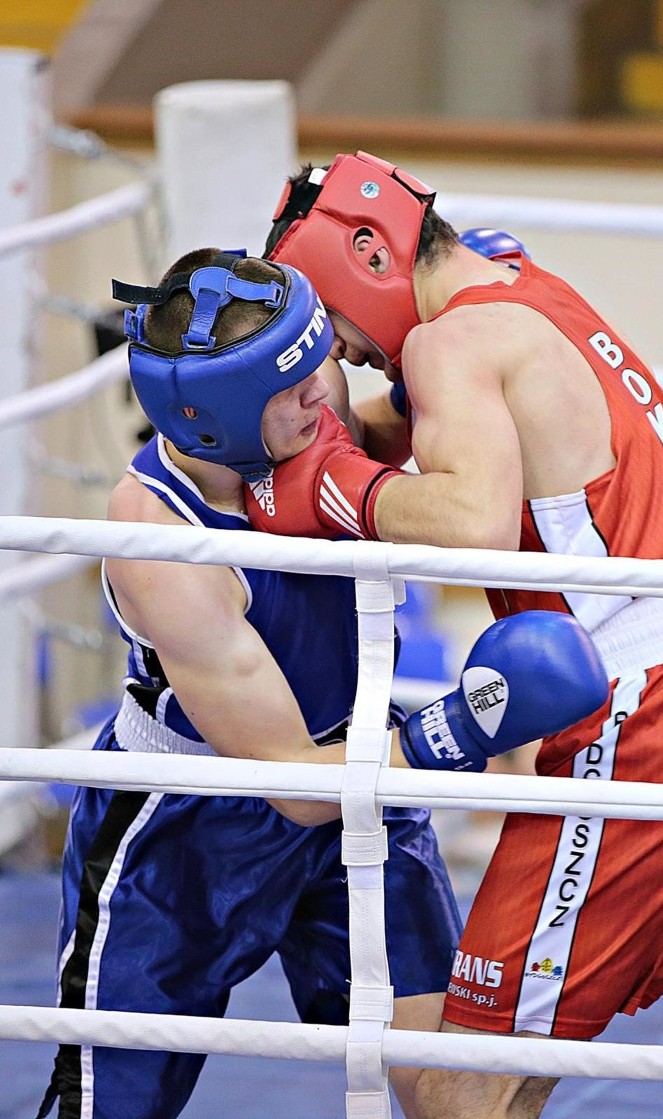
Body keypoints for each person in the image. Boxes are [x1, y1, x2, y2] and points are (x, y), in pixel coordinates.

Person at [246, 151, 663, 1119]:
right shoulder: (530, 299)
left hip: (649, 727)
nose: (341, 350)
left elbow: (470, 519)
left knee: (457, 1096)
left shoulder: (451, 346)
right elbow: (392, 429)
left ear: (366, 252)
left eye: (333, 321)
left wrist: (334, 489)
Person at [36, 247, 607, 1119]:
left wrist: (478, 331)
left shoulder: (310, 398)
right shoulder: (159, 536)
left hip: (362, 776)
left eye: (318, 365)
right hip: (194, 822)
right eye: (292, 386)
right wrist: (460, 729)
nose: (323, 393)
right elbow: (294, 780)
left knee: (446, 1084)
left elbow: (396, 429)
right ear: (216, 413)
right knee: (107, 1107)